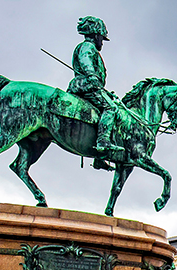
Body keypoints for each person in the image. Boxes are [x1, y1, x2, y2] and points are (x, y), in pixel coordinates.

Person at [67, 16, 124, 164]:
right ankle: (103, 142)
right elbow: (86, 61)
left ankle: (99, 158)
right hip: (86, 85)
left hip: (91, 86)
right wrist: (92, 75)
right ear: (96, 35)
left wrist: (104, 92)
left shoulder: (88, 47)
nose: (102, 43)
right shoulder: (87, 47)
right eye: (102, 39)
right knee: (111, 108)